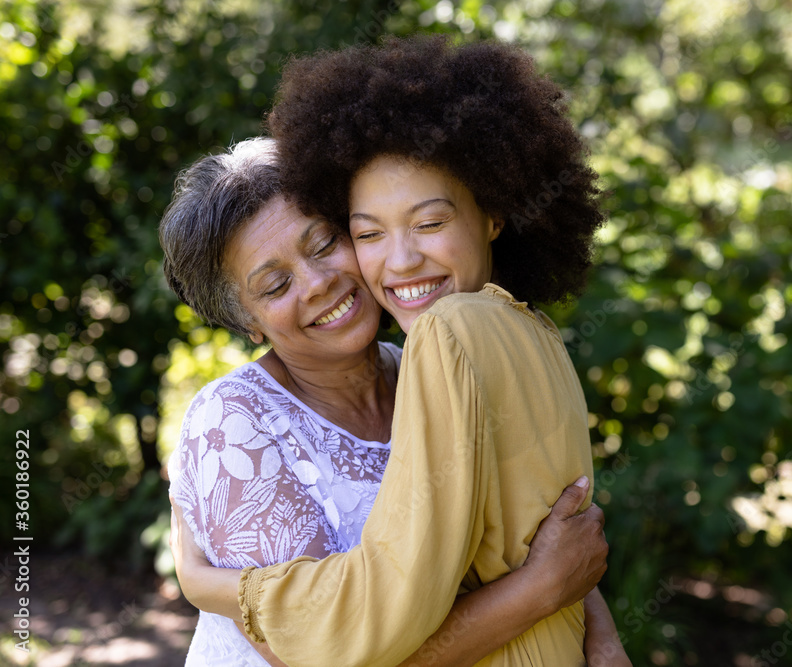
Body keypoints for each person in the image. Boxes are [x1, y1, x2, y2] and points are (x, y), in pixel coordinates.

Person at [172, 36, 632, 667]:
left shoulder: (441, 358)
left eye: (328, 242)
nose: (318, 284)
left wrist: (594, 623)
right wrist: (540, 591)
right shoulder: (233, 426)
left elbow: (550, 527)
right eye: (274, 285)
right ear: (247, 322)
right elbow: (320, 656)